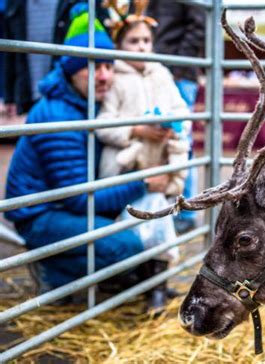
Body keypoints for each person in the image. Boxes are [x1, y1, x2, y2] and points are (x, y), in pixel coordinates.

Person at [4, 4, 159, 296]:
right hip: (42, 214)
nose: (103, 76)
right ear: (72, 70)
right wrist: (144, 183)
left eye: (108, 66)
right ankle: (54, 271)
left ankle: (92, 271)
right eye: (92, 67)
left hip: (71, 202)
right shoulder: (57, 115)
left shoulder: (92, 103)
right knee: (129, 245)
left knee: (137, 234)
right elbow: (78, 199)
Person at [97, 0, 190, 311]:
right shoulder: (115, 79)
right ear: (119, 44)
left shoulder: (162, 73)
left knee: (161, 220)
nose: (141, 47)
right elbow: (102, 126)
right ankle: (148, 286)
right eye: (133, 41)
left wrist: (174, 128)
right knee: (140, 226)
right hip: (129, 168)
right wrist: (136, 130)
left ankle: (157, 287)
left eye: (146, 41)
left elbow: (181, 110)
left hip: (162, 164)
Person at [146, 0, 206, 234]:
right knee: (165, 137)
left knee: (180, 137)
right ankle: (172, 205)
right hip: (161, 68)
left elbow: (199, 26)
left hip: (177, 71)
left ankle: (185, 209)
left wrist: (179, 65)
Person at [3, 0, 109, 117]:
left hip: (67, 91)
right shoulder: (15, 4)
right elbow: (10, 53)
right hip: (29, 93)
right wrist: (10, 97)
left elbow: (102, 46)